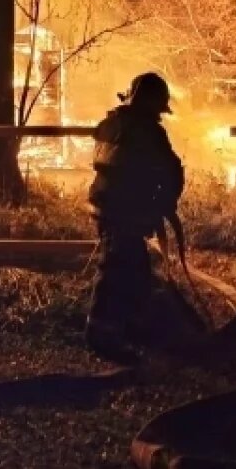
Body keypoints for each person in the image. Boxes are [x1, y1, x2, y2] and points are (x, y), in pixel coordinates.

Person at [85, 72, 186, 364]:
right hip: (126, 211)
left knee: (134, 269)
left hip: (105, 207)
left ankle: (131, 328)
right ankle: (102, 335)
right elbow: (170, 170)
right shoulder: (148, 131)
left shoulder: (109, 124)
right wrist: (163, 204)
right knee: (117, 270)